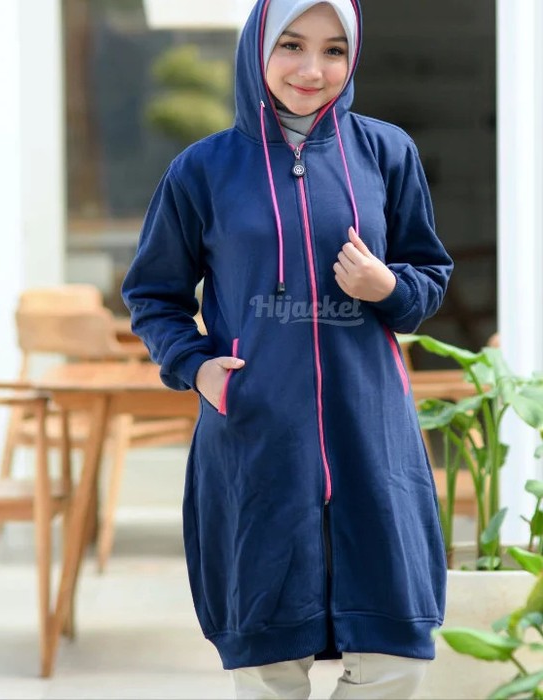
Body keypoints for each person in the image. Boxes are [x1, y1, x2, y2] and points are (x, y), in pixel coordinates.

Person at [122, 0, 454, 697]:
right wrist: (198, 368)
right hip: (257, 438)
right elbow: (152, 294)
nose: (312, 68)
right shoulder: (202, 169)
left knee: (395, 655)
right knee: (268, 660)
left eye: (334, 50)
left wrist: (387, 286)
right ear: (258, 49)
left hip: (371, 433)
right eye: (292, 45)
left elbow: (428, 277)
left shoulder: (386, 153)